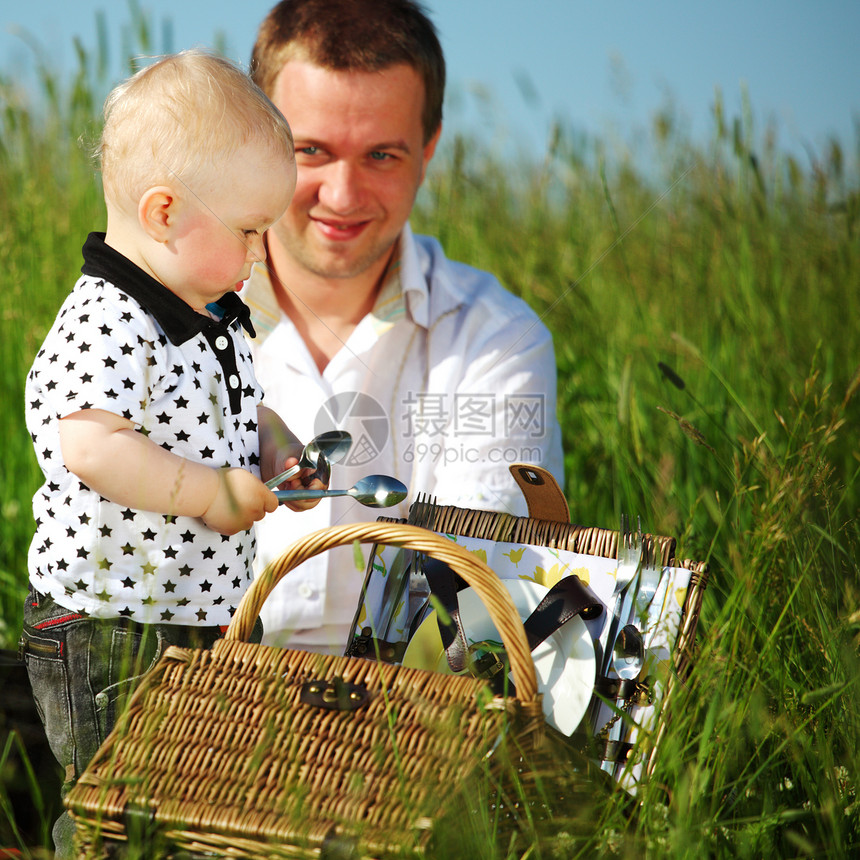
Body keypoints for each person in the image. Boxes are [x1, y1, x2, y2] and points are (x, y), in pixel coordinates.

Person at [20, 50, 323, 857]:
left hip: (194, 615)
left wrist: (276, 449)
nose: (263, 254)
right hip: (113, 622)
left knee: (195, 813)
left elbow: (230, 408)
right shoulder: (110, 320)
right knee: (114, 817)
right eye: (252, 231)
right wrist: (209, 495)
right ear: (164, 213)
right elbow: (90, 444)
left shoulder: (212, 313)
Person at [242, 0, 565, 655]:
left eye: (382, 156)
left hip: (407, 734)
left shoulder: (498, 342)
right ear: (255, 137)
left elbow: (470, 613)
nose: (342, 194)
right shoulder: (157, 320)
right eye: (311, 150)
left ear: (428, 149)